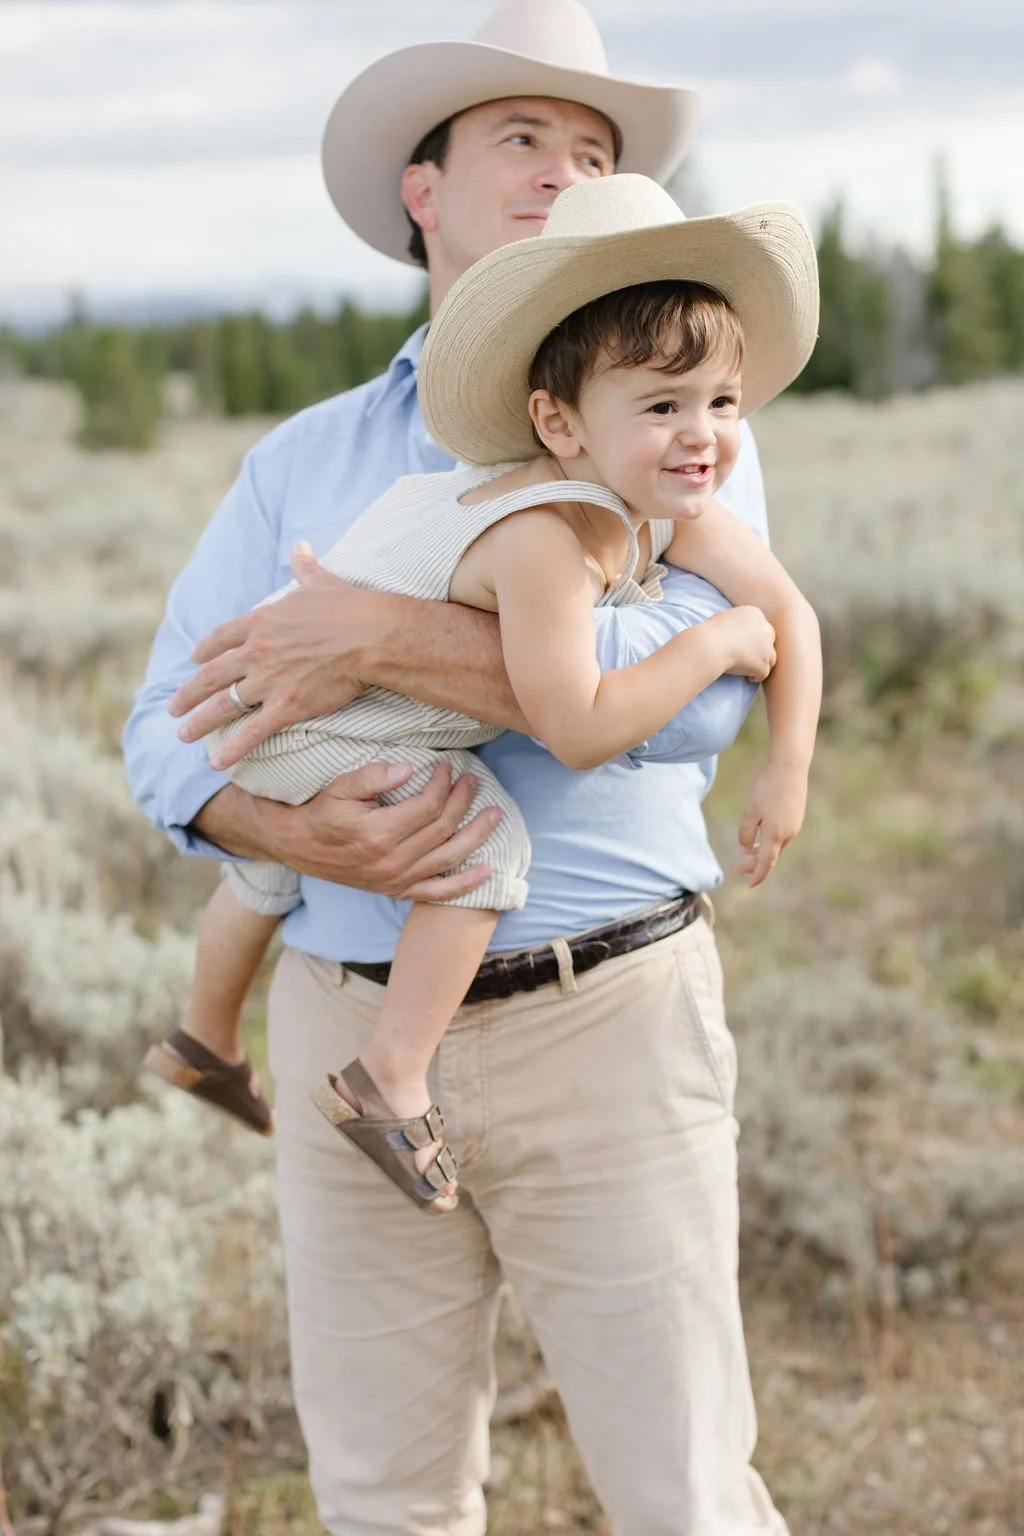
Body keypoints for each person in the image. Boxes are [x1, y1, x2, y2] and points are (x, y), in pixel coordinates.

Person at [125, 1, 803, 1529]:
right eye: (522, 136)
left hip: (608, 1023)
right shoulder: (299, 460)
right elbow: (158, 730)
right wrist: (283, 825)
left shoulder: (679, 425)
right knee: (384, 1497)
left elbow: (701, 701)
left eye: (595, 145)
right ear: (422, 190)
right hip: (340, 1015)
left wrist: (371, 640)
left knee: (686, 1491)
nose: (566, 165)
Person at [145, 176, 821, 1223]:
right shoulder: (545, 533)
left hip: (307, 717)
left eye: (721, 403)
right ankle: (388, 1075)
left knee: (273, 870)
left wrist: (787, 767)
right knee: (479, 842)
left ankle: (203, 1036)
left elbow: (794, 614)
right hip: (299, 718)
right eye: (661, 406)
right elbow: (581, 725)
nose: (704, 436)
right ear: (560, 424)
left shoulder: (669, 494)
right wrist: (714, 640)